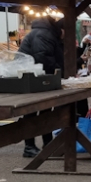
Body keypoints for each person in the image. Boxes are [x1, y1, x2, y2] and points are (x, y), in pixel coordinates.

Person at [19, 16, 65, 157]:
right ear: (62, 29)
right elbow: (43, 57)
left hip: (39, 78)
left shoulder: (47, 33)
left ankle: (48, 143)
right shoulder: (44, 34)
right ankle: (29, 147)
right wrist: (58, 71)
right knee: (32, 111)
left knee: (45, 110)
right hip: (33, 78)